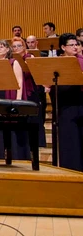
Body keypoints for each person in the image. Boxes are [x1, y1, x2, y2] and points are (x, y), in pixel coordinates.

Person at [0, 39, 30, 160]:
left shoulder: (13, 62)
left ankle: (15, 156)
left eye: (1, 46)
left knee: (11, 128)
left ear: (7, 49)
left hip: (9, 96)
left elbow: (19, 81)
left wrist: (18, 100)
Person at [49, 34, 83, 171]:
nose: (75, 47)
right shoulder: (58, 63)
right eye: (71, 45)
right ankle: (68, 168)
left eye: (77, 44)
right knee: (68, 138)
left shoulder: (81, 60)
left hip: (79, 101)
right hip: (64, 104)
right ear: (63, 47)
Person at [11, 37, 46, 147]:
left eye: (19, 46)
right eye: (14, 46)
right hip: (19, 90)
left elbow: (36, 73)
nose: (17, 48)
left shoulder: (30, 57)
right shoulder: (12, 59)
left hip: (31, 90)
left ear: (24, 46)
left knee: (34, 117)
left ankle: (37, 142)